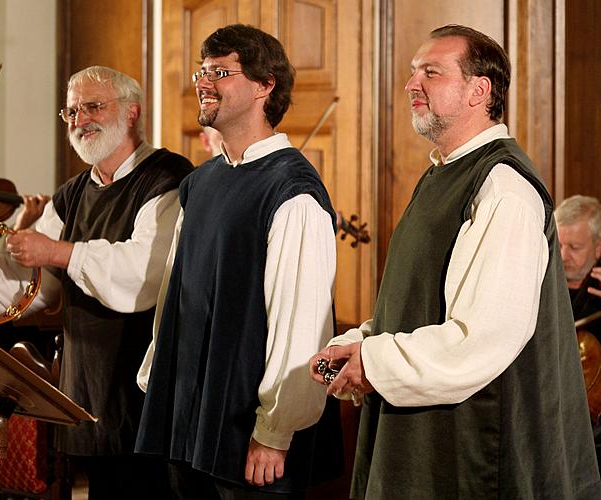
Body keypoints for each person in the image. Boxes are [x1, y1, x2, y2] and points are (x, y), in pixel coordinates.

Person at [309, 25, 601, 498]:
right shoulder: (441, 174)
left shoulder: (503, 188)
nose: (411, 85)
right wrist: (360, 341)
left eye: (431, 72)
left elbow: (478, 340)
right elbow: (424, 300)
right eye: (411, 72)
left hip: (472, 453)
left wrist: (372, 360)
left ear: (478, 90)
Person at [0, 66, 193, 499]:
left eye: (93, 106)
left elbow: (146, 272)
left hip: (144, 381)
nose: (79, 120)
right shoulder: (71, 194)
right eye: (70, 111)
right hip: (86, 380)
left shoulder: (167, 177)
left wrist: (59, 252)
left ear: (132, 113)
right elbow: (33, 288)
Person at [136, 24, 340, 498]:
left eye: (220, 72)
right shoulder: (200, 182)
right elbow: (175, 294)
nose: (203, 82)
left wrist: (276, 430)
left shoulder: (294, 192)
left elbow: (302, 324)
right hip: (188, 419)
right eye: (201, 71)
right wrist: (158, 380)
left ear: (264, 85)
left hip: (251, 437)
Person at [555, 194, 601, 465]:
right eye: (558, 245)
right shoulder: (540, 280)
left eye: (574, 247)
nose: (563, 256)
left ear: (598, 248)